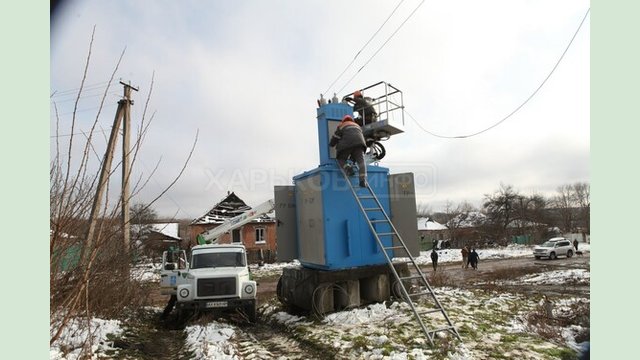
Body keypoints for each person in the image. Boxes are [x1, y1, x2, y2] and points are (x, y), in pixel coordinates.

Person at [329, 114, 367, 187]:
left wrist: (331, 144)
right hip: (360, 145)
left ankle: (349, 169)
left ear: (344, 120)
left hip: (347, 145)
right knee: (361, 162)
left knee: (341, 159)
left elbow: (336, 137)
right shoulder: (357, 126)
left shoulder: (342, 125)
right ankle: (363, 181)